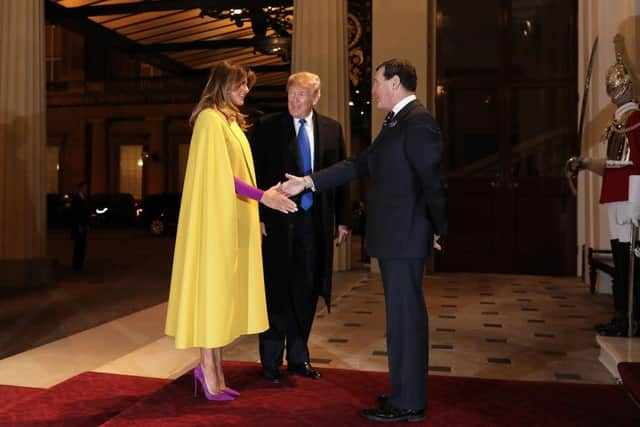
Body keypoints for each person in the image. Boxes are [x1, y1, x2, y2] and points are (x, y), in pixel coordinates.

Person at [282, 59, 447, 422]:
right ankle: (403, 393)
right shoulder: (395, 123)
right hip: (395, 237)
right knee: (399, 321)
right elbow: (358, 165)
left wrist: (437, 227)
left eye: (376, 82)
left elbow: (432, 181)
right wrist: (307, 182)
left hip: (405, 236)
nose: (371, 90)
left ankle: (410, 403)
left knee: (406, 320)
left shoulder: (418, 122)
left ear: (395, 83)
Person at [164, 61, 297, 402]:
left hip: (232, 219)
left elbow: (239, 175)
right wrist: (262, 197)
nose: (246, 90)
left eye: (247, 85)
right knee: (212, 294)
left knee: (223, 295)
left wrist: (262, 197)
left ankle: (214, 368)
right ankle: (208, 368)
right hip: (214, 226)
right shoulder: (210, 120)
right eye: (241, 85)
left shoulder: (231, 122)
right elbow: (220, 176)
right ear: (222, 85)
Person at [249, 72, 350, 383]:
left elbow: (341, 177)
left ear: (315, 98)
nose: (293, 101)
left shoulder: (332, 129)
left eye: (301, 96)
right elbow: (251, 174)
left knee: (306, 293)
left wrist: (344, 219)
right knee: (276, 291)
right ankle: (269, 362)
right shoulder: (267, 128)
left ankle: (298, 358)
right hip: (277, 225)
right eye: (290, 94)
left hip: (315, 225)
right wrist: (258, 216)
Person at [567, 37, 640, 336]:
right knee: (621, 256)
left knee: (630, 260)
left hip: (630, 199)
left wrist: (636, 206)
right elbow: (613, 165)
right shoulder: (618, 122)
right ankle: (622, 314)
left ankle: (631, 316)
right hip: (617, 196)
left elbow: (633, 165)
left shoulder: (634, 120)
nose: (612, 92)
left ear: (625, 88)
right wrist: (584, 163)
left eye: (615, 87)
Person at [70, 181, 90, 272]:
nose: (86, 189)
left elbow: (85, 213)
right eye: (85, 188)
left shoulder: (84, 198)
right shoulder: (76, 199)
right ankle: (76, 265)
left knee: (82, 246)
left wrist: (87, 225)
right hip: (79, 226)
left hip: (83, 226)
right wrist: (79, 225)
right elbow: (75, 214)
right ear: (81, 188)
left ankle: (80, 264)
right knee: (78, 246)